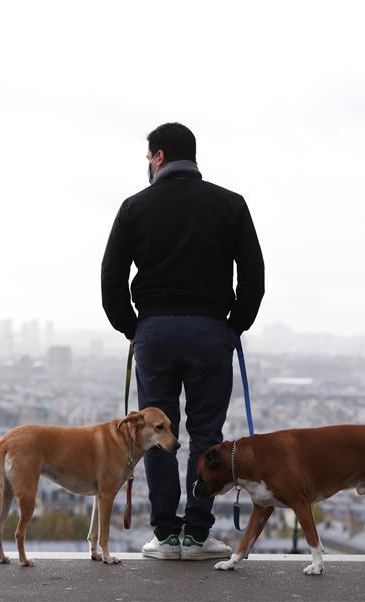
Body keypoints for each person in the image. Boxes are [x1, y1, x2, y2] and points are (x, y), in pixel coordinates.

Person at [100, 122, 265, 560]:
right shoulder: (230, 205)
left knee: (156, 432)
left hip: (153, 330)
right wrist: (235, 326)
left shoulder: (134, 207)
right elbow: (253, 276)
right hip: (210, 330)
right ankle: (197, 535)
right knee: (206, 432)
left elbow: (111, 277)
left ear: (157, 158)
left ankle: (165, 535)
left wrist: (131, 326)